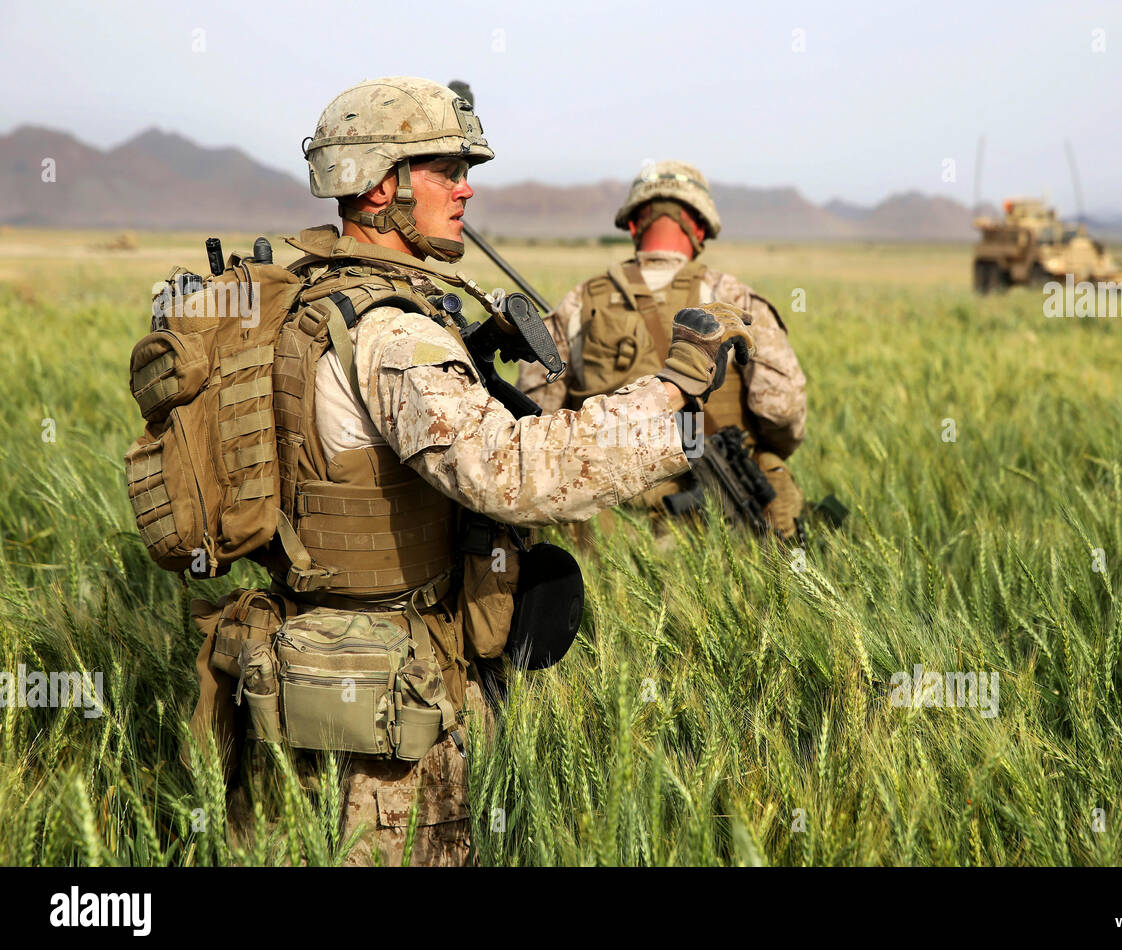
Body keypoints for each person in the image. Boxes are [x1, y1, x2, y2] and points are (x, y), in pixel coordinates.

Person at [187, 77, 754, 866]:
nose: (466, 187)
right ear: (383, 184)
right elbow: (515, 474)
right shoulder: (389, 330)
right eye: (445, 169)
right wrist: (675, 386)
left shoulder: (310, 297)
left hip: (307, 673)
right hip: (389, 713)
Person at [515, 161, 807, 539]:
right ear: (700, 227)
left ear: (635, 225)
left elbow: (535, 424)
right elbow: (780, 409)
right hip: (714, 522)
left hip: (604, 529)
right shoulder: (735, 300)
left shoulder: (576, 303)